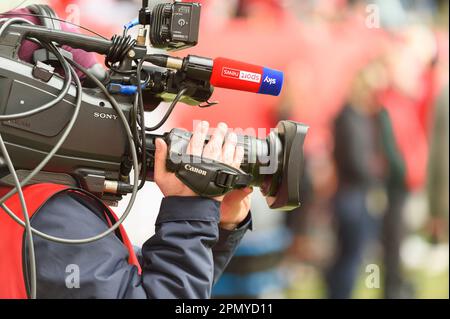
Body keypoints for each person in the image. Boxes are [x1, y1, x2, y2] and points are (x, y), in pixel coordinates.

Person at [0, 6, 253, 299]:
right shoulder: (52, 220)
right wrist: (191, 214)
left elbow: (141, 284)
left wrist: (212, 226)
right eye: (90, 93)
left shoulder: (24, 203)